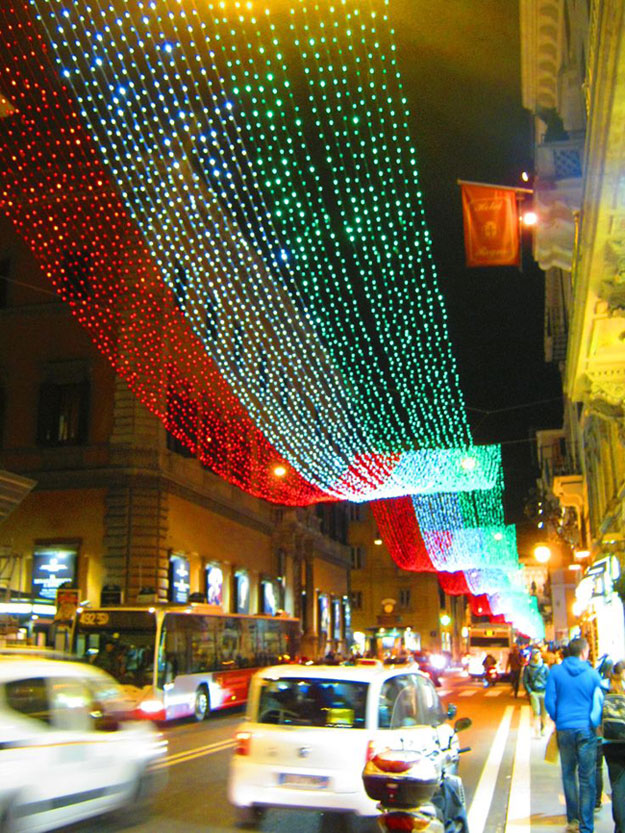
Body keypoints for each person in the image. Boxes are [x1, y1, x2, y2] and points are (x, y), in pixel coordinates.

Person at [545, 637, 604, 833]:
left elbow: (549, 701)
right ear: (584, 652)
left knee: (568, 774)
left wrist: (558, 718)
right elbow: (599, 700)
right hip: (586, 729)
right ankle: (587, 826)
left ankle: (573, 820)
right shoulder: (592, 674)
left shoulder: (556, 672)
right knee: (587, 778)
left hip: (564, 729)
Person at [602, 660, 625, 833]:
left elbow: (595, 716)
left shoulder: (604, 688)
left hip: (611, 743)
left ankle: (620, 828)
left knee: (617, 786)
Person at [523, 648, 549, 737]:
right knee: (536, 712)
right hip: (534, 692)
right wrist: (530, 692)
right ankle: (537, 730)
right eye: (536, 654)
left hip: (544, 692)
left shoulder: (544, 667)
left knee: (544, 712)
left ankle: (543, 728)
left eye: (539, 654)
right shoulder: (528, 668)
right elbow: (525, 681)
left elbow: (549, 679)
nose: (538, 656)